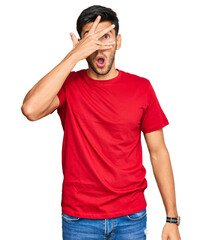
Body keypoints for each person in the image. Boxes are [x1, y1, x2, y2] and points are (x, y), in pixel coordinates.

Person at [21, 5, 181, 240]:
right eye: (90, 39)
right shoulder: (68, 85)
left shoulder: (142, 88)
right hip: (80, 218)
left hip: (131, 217)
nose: (98, 46)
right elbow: (30, 109)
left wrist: (172, 218)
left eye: (105, 37)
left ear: (118, 41)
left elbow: (158, 153)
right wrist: (74, 55)